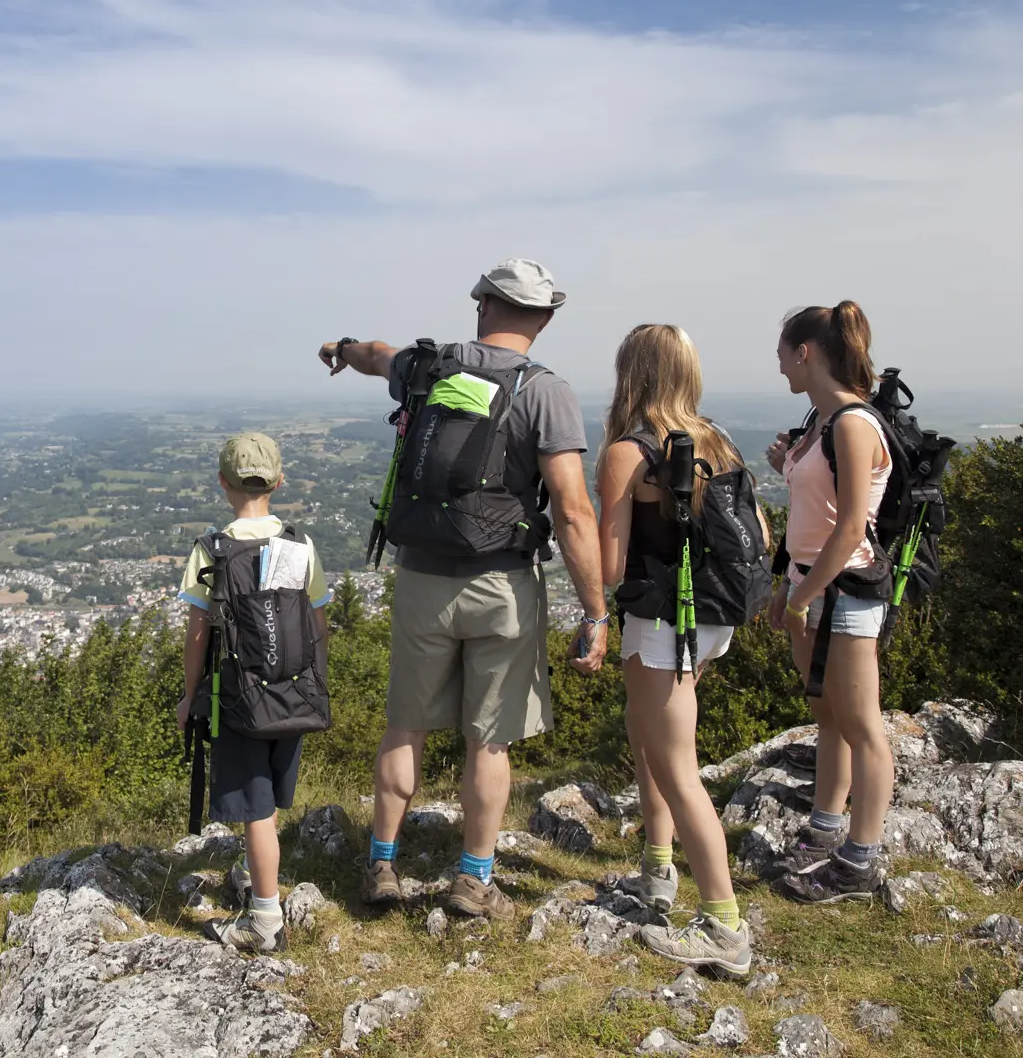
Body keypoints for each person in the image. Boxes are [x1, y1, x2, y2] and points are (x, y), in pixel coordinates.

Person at [318, 259, 608, 921]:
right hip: (503, 584)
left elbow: (375, 355)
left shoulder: (431, 366)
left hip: (422, 574)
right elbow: (571, 507)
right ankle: (474, 877)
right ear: (545, 318)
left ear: (482, 304)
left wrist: (340, 349)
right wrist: (595, 609)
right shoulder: (546, 392)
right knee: (490, 741)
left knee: (405, 727)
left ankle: (381, 865)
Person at [593, 324, 760, 974]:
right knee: (648, 739)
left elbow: (610, 567)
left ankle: (724, 927)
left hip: (664, 624)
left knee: (676, 767)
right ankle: (657, 869)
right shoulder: (716, 439)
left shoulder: (630, 451)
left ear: (630, 373)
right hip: (711, 618)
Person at [175, 432, 332, 951]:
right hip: (294, 692)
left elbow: (199, 633)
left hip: (237, 699)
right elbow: (317, 622)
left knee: (257, 808)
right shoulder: (299, 544)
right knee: (269, 798)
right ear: (279, 480)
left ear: (223, 483)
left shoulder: (211, 549)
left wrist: (189, 694)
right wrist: (313, 686)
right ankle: (252, 869)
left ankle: (265, 920)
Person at [763, 302, 896, 903]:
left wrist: (799, 596)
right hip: (811, 582)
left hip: (844, 590)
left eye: (783, 353)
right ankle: (825, 825)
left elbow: (848, 532)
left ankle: (860, 859)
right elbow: (814, 515)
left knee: (863, 725)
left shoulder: (851, 424)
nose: (780, 364)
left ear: (806, 352)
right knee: (828, 715)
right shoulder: (820, 421)